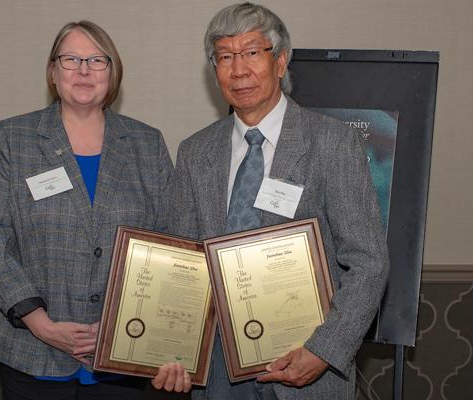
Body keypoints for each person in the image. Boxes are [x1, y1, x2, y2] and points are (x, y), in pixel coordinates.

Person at [156, 2, 390, 399]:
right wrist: (169, 349)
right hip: (217, 373)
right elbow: (183, 263)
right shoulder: (196, 152)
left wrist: (324, 351)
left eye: (251, 52)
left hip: (307, 367)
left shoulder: (332, 143)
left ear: (281, 62)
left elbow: (369, 261)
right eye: (225, 56)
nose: (238, 69)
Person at [0, 20, 173, 399]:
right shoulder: (11, 140)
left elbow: (165, 243)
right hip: (32, 350)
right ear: (52, 71)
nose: (83, 70)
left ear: (114, 74)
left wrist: (119, 326)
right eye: (71, 59)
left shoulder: (147, 143)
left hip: (122, 352)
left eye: (98, 60)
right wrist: (40, 323)